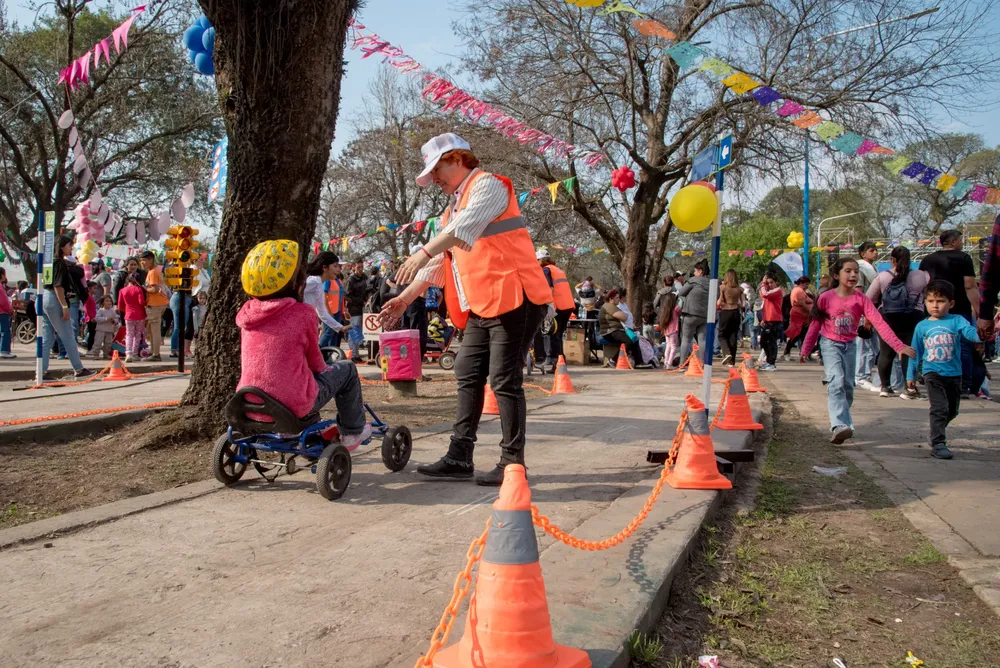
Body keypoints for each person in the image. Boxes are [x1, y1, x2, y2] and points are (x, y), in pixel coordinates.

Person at [379, 132, 550, 486]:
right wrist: (405, 298)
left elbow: (461, 231)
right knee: (466, 371)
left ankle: (512, 462)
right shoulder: (451, 209)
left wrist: (422, 250)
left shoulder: (489, 186)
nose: (435, 179)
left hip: (515, 297)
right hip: (483, 304)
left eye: (437, 169)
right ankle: (460, 456)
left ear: (458, 159)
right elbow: (444, 263)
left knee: (504, 380)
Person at [238, 240, 370, 448]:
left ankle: (286, 432)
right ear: (297, 284)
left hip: (250, 401)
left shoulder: (247, 314)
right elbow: (317, 364)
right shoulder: (302, 314)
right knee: (347, 369)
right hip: (293, 404)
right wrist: (326, 368)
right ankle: (353, 432)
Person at [801, 258, 916, 444]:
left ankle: (845, 424)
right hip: (830, 344)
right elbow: (815, 324)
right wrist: (806, 348)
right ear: (837, 275)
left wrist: (898, 346)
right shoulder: (825, 298)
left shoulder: (860, 299)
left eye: (856, 271)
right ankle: (838, 425)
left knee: (847, 387)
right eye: (848, 271)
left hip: (850, 346)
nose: (853, 275)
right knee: (836, 381)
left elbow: (879, 323)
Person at [907, 280, 980, 460]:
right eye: (931, 301)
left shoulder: (957, 320)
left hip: (954, 374)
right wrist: (911, 375)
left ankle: (935, 431)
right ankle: (938, 443)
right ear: (925, 303)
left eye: (940, 301)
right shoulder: (922, 326)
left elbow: (970, 333)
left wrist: (982, 334)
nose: (935, 305)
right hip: (932, 374)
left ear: (951, 303)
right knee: (939, 408)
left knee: (952, 410)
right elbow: (915, 351)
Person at [920, 229, 980, 396]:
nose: (962, 243)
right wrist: (979, 310)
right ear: (953, 242)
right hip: (959, 308)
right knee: (963, 346)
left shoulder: (927, 260)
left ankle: (934, 380)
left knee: (932, 343)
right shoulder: (964, 258)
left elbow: (923, 285)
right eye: (960, 240)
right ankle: (963, 385)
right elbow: (969, 285)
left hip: (932, 309)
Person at [867, 246, 929, 399]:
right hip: (914, 317)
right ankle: (909, 389)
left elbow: (869, 298)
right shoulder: (921, 275)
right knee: (910, 351)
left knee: (886, 353)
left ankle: (885, 387)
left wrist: (868, 319)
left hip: (888, 318)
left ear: (892, 260)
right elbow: (927, 294)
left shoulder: (883, 276)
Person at [38, 235, 92, 378]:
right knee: (67, 334)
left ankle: (41, 370)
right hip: (55, 299)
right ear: (62, 246)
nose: (72, 248)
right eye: (69, 245)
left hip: (45, 298)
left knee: (48, 337)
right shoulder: (60, 263)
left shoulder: (50, 262)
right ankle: (79, 369)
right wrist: (64, 306)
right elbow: (58, 286)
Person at [537, 249, 575, 371]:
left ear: (540, 260)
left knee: (551, 332)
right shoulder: (558, 270)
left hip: (557, 306)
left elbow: (549, 288)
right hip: (568, 306)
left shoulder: (546, 270)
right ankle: (560, 361)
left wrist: (548, 306)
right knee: (558, 335)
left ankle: (553, 360)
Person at [303, 251, 344, 348]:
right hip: (299, 326)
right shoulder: (314, 281)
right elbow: (294, 291)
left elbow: (322, 313)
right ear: (325, 268)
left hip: (306, 327)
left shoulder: (319, 284)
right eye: (335, 266)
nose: (338, 270)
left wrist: (341, 327)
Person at [854, 242, 880, 389]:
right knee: (863, 344)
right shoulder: (860, 269)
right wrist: (865, 315)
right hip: (864, 312)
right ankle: (860, 375)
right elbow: (859, 293)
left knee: (873, 346)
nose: (875, 253)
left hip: (873, 310)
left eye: (876, 250)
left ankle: (866, 374)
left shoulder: (873, 268)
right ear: (863, 254)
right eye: (872, 250)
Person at [677, 260, 710, 364]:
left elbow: (681, 292)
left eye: (695, 270)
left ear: (700, 271)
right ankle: (703, 364)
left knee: (686, 339)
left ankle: (682, 363)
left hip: (690, 313)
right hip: (705, 315)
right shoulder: (712, 282)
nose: (694, 272)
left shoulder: (693, 280)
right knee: (702, 340)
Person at [599, 288, 641, 367]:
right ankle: (612, 360)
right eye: (617, 298)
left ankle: (639, 362)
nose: (618, 299)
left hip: (615, 330)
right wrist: (625, 315)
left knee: (634, 339)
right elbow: (623, 317)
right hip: (610, 331)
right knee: (629, 341)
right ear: (611, 299)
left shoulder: (613, 306)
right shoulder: (609, 306)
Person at [139, 250, 168, 361]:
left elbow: (155, 289)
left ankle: (156, 354)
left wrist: (144, 289)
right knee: (151, 329)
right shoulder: (154, 271)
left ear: (151, 260)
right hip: (158, 303)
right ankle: (154, 351)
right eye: (141, 261)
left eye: (144, 260)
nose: (142, 263)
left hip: (155, 304)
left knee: (155, 330)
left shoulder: (153, 272)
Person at [717, 269, 745, 367]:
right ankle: (732, 361)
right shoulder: (740, 289)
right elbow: (744, 304)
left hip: (726, 312)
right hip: (736, 312)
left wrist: (725, 302)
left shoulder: (723, 287)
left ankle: (726, 352)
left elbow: (719, 302)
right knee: (733, 336)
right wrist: (736, 303)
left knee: (722, 335)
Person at [782, 276, 814, 361]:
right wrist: (810, 312)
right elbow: (802, 304)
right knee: (798, 333)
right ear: (802, 283)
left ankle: (803, 353)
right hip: (800, 315)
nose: (807, 286)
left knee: (800, 334)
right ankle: (798, 352)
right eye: (806, 284)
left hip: (801, 315)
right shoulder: (799, 291)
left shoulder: (798, 290)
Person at [117, 273, 147, 363]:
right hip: (140, 315)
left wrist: (126, 310)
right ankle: (134, 354)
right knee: (137, 335)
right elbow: (141, 302)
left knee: (129, 334)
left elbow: (120, 305)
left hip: (128, 314)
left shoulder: (122, 290)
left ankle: (128, 353)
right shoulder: (138, 289)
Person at [344, 261, 370, 360]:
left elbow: (367, 289)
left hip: (362, 308)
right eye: (358, 267)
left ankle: (356, 354)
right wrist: (360, 301)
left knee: (359, 333)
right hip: (353, 309)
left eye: (362, 267)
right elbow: (347, 296)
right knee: (354, 331)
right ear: (354, 267)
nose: (360, 269)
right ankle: (353, 354)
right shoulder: (350, 279)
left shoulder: (364, 277)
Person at [758, 271, 784, 371]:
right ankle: (768, 361)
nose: (769, 284)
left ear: (776, 282)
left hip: (774, 320)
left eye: (771, 282)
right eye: (768, 283)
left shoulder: (777, 290)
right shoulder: (769, 292)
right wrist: (764, 319)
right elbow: (765, 306)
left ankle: (771, 363)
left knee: (771, 342)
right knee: (764, 342)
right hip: (768, 320)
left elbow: (765, 294)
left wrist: (763, 283)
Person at [322, 268, 346, 348]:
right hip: (330, 312)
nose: (339, 268)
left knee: (335, 333)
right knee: (328, 333)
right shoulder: (327, 280)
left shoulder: (338, 280)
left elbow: (340, 297)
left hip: (337, 311)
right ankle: (318, 350)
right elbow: (324, 297)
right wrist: (329, 312)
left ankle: (331, 356)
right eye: (336, 266)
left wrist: (343, 310)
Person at [658, 292, 681, 369]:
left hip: (666, 330)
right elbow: (680, 312)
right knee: (674, 347)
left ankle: (666, 362)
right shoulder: (676, 308)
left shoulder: (665, 309)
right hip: (673, 330)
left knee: (668, 346)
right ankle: (669, 363)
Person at [91, 295, 118, 360]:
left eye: (110, 301)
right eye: (107, 301)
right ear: (103, 302)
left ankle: (106, 354)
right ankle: (96, 354)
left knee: (108, 343)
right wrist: (106, 319)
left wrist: (114, 321)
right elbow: (97, 318)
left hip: (109, 330)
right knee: (98, 342)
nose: (109, 302)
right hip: (101, 330)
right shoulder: (101, 310)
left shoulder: (112, 311)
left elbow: (116, 319)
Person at [0, 267, 13, 358]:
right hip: (2, 312)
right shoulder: (0, 287)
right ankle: (4, 350)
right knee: (5, 331)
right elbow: (4, 301)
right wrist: (10, 309)